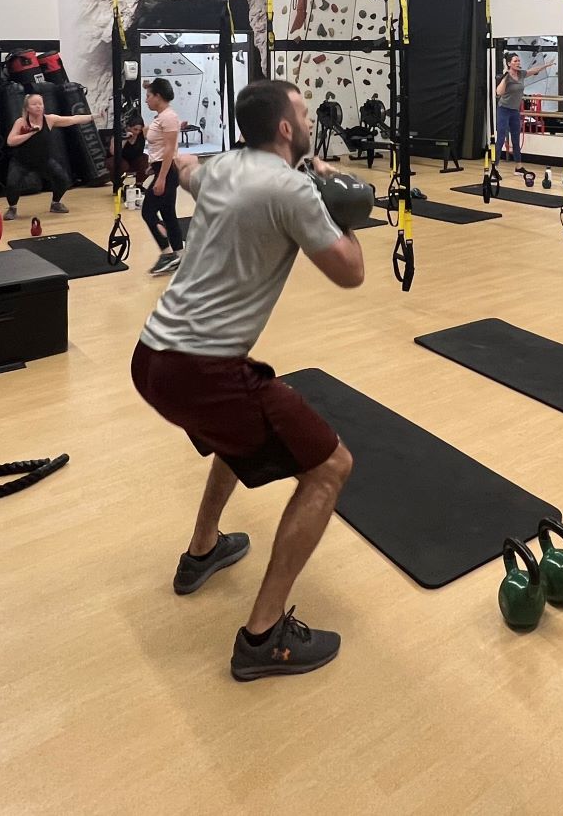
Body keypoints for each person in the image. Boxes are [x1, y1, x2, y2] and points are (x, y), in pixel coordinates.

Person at [131, 79, 364, 680]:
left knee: (242, 429)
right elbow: (351, 273)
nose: (310, 121)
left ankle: (203, 550)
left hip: (153, 356)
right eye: (305, 113)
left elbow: (183, 166)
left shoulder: (222, 168)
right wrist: (345, 207)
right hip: (201, 369)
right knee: (330, 468)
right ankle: (263, 638)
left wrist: (177, 160)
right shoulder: (292, 189)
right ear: (286, 128)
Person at [4, 91, 93, 221]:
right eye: (34, 104)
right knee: (12, 184)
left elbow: (73, 119)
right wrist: (30, 133)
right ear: (27, 108)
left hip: (43, 160)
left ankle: (55, 204)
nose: (39, 106)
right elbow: (10, 141)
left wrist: (94, 116)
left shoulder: (49, 119)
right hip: (21, 162)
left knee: (63, 179)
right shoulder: (21, 122)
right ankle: (12, 208)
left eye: (40, 104)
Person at [141, 77, 186, 277]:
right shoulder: (162, 117)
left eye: (149, 96)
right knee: (168, 214)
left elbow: (169, 150)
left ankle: (167, 254)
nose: (146, 100)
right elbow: (162, 150)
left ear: (158, 97)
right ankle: (180, 255)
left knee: (148, 212)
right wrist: (153, 168)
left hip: (166, 172)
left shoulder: (168, 117)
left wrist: (161, 178)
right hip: (161, 169)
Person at [493, 54, 524, 166]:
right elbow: (499, 92)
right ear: (509, 63)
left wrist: (546, 65)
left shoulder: (521, 74)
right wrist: (506, 77)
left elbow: (532, 71)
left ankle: (518, 166)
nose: (518, 62)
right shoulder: (506, 77)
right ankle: (495, 166)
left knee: (516, 139)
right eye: (515, 61)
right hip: (504, 110)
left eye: (518, 60)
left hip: (514, 111)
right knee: (501, 138)